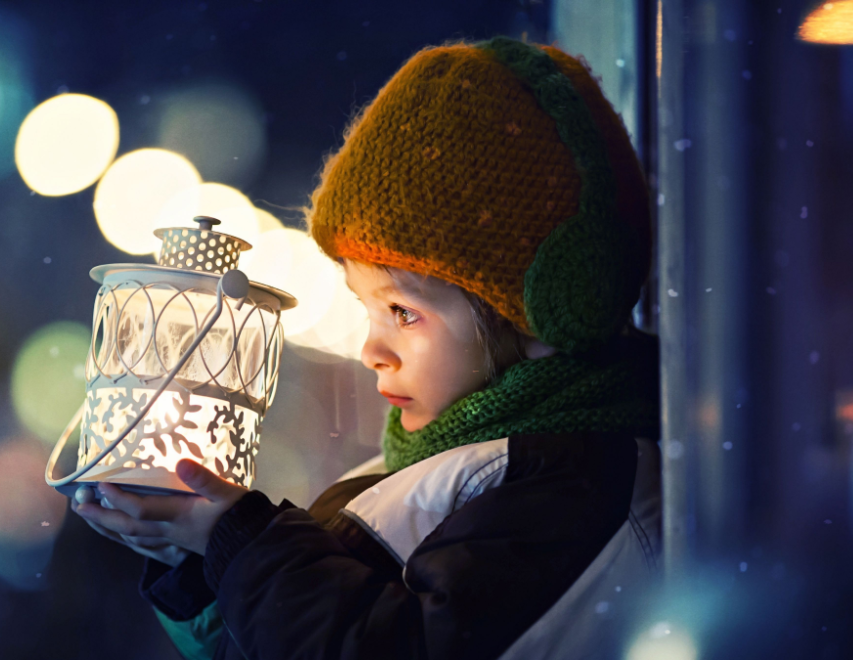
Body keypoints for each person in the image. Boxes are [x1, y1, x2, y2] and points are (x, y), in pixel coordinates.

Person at [73, 35, 661, 660]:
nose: (371, 350)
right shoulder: (429, 462)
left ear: (538, 318)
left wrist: (243, 544)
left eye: (403, 312)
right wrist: (199, 562)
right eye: (367, 308)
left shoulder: (570, 490)